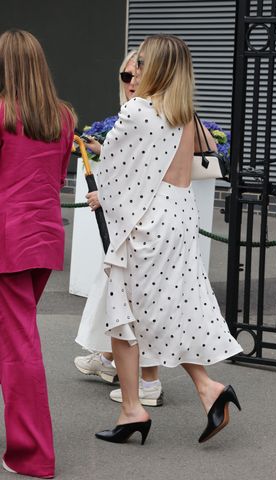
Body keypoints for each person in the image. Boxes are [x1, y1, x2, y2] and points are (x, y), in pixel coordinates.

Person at [85, 34, 243, 445]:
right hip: (179, 216)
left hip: (146, 221)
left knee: (124, 314)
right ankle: (209, 389)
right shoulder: (182, 112)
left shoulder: (137, 110)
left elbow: (118, 173)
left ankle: (133, 409)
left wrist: (102, 196)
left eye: (140, 62)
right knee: (174, 306)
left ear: (154, 66)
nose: (134, 69)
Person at [0, 29, 76, 477]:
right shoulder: (63, 118)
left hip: (7, 240)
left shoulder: (4, 114)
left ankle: (32, 455)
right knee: (13, 337)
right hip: (43, 237)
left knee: (18, 345)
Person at [74, 50, 163, 406]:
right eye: (124, 76)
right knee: (120, 299)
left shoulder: (141, 112)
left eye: (136, 74)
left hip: (140, 225)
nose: (130, 83)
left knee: (137, 303)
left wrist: (106, 196)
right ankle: (112, 362)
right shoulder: (157, 112)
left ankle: (152, 386)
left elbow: (141, 174)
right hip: (146, 222)